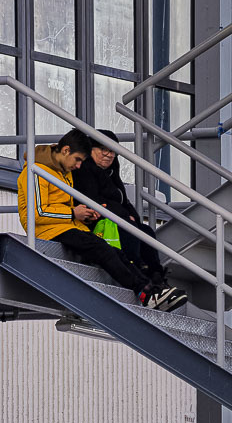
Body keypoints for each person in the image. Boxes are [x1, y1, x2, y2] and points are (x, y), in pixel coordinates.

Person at [16, 129, 162, 304]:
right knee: (103, 251)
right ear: (66, 150)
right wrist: (73, 213)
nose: (78, 166)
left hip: (67, 225)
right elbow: (37, 213)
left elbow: (62, 205)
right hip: (48, 230)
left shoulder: (63, 171)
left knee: (114, 251)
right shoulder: (36, 171)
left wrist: (83, 215)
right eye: (77, 160)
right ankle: (143, 291)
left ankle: (149, 288)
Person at [75, 130, 187, 312]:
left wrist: (131, 215)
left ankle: (157, 280)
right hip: (98, 223)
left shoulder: (112, 170)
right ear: (91, 149)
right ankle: (146, 282)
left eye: (112, 151)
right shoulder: (85, 170)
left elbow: (123, 199)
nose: (109, 155)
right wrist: (123, 214)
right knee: (129, 232)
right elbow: (92, 201)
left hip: (118, 219)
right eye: (103, 149)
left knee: (146, 232)